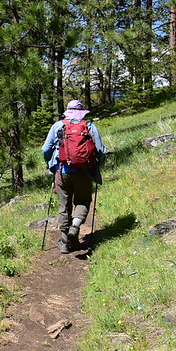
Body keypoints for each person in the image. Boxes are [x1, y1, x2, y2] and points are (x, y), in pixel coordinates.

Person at [42, 100, 107, 254]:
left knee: (64, 206)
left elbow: (45, 149)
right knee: (83, 201)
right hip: (83, 171)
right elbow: (101, 150)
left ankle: (65, 242)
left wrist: (50, 164)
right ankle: (75, 227)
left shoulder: (58, 125)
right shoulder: (89, 126)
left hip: (62, 171)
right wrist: (97, 164)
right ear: (82, 112)